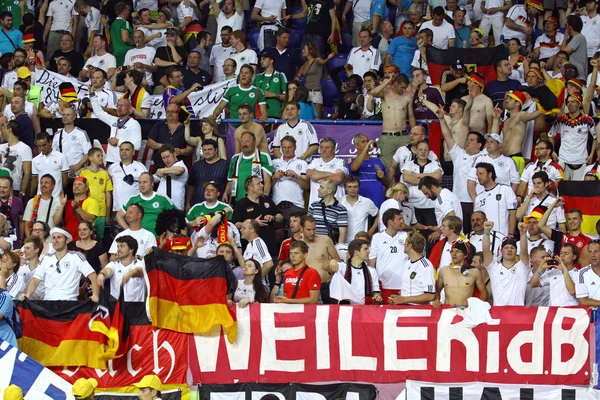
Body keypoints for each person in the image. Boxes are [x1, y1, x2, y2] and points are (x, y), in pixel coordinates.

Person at [22, 227, 99, 301]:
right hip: (48, 302)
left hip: (69, 302)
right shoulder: (46, 258)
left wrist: (95, 294)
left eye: (59, 237)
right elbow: (35, 280)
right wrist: (27, 295)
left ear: (67, 240)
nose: (55, 240)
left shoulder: (76, 256)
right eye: (54, 238)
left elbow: (93, 275)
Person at [548, 93, 596, 180]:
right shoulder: (561, 119)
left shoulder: (587, 119)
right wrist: (552, 151)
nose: (569, 104)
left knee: (577, 190)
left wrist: (592, 154)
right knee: (561, 188)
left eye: (573, 102)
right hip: (563, 160)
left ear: (579, 103)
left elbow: (595, 138)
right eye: (568, 102)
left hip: (581, 161)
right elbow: (550, 134)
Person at [371, 74, 416, 167]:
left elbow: (411, 116)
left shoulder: (407, 96)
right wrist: (388, 81)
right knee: (387, 167)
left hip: (403, 136)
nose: (403, 90)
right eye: (402, 87)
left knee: (407, 166)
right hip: (388, 136)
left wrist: (414, 133)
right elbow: (373, 92)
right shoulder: (385, 93)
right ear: (395, 84)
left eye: (405, 88)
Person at [400, 140, 443, 233]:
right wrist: (427, 181)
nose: (423, 152)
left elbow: (437, 176)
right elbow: (406, 178)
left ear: (429, 151)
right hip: (414, 206)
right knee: (415, 234)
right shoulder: (409, 164)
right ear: (416, 151)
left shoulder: (434, 164)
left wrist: (417, 175)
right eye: (420, 150)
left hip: (431, 206)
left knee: (431, 233)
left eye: (425, 150)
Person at [117, 172, 175, 237]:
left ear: (152, 183)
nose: (142, 185)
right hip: (137, 239)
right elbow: (119, 215)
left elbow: (177, 216)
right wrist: (129, 230)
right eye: (140, 182)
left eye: (145, 182)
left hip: (158, 239)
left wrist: (170, 233)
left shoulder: (162, 199)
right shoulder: (133, 199)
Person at [538, 197, 592, 267]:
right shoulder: (561, 236)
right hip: (560, 273)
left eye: (575, 218)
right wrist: (553, 206)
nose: (572, 221)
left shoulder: (587, 240)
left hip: (578, 274)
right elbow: (540, 225)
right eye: (569, 219)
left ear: (581, 220)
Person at [233, 176, 282, 252]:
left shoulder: (266, 199)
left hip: (270, 247)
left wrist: (273, 217)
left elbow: (280, 216)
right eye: (258, 184)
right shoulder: (241, 204)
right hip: (251, 249)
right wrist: (253, 223)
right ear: (250, 188)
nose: (262, 186)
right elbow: (235, 224)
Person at [369, 209, 408, 304]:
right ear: (390, 222)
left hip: (403, 287)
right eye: (399, 219)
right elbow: (371, 264)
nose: (402, 221)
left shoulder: (406, 236)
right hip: (384, 286)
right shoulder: (377, 238)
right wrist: (374, 287)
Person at [434, 239, 488, 307]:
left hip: (465, 311)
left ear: (465, 255)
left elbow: (484, 293)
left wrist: (477, 308)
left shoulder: (474, 271)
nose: (454, 254)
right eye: (452, 251)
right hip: (448, 310)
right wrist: (437, 300)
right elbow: (437, 291)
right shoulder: (443, 271)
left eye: (458, 251)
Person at [387, 232, 435, 305]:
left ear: (410, 245)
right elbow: (410, 288)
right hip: (404, 308)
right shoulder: (407, 263)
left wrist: (404, 299)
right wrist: (398, 297)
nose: (403, 245)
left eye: (405, 242)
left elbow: (430, 295)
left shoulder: (426, 266)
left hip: (418, 310)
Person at [467, 133, 520, 198]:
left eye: (492, 142)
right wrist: (475, 200)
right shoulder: (479, 159)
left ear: (499, 145)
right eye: (487, 142)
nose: (488, 144)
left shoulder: (509, 161)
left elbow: (515, 182)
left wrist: (509, 198)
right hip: (482, 200)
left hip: (501, 201)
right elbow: (471, 182)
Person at [225, 132, 273, 203]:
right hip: (237, 201)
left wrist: (264, 198)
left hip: (256, 201)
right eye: (242, 142)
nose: (244, 144)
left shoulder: (263, 157)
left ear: (254, 142)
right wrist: (226, 193)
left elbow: (267, 181)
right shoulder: (235, 158)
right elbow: (230, 181)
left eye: (247, 141)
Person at [330, 239, 381, 304]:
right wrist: (331, 261)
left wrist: (377, 295)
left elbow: (376, 290)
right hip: (346, 310)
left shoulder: (371, 270)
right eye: (365, 249)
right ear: (356, 252)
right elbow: (325, 267)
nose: (369, 251)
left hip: (364, 309)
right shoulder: (342, 267)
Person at [473, 162, 517, 237]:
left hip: (503, 236)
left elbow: (513, 213)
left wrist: (510, 234)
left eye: (481, 174)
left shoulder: (505, 190)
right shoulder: (479, 197)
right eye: (477, 175)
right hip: (485, 237)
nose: (478, 177)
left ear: (490, 174)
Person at [271, 136, 309, 221]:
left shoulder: (302, 163)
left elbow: (306, 186)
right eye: (284, 147)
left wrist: (296, 177)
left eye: (290, 147)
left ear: (295, 147)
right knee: (278, 233)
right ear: (281, 148)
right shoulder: (274, 163)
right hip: (276, 204)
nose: (287, 150)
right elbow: (266, 186)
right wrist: (274, 177)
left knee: (296, 232)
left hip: (296, 205)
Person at [98, 235, 145, 301]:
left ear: (131, 249)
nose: (118, 249)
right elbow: (107, 270)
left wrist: (130, 274)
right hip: (115, 303)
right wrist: (102, 275)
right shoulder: (114, 264)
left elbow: (140, 271)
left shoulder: (140, 264)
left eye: (122, 246)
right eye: (118, 246)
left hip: (136, 306)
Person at [107, 141, 148, 215]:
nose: (124, 152)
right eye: (121, 150)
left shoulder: (140, 167)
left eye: (127, 150)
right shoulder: (112, 168)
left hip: (136, 210)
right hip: (117, 209)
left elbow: (148, 186)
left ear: (133, 152)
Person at [79, 148, 113, 238]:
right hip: (87, 211)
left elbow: (108, 194)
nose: (101, 157)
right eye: (98, 155)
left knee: (99, 237)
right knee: (86, 236)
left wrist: (108, 214)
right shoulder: (83, 173)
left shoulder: (105, 173)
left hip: (101, 211)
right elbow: (79, 192)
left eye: (102, 155)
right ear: (90, 158)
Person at [348, 134, 388, 208]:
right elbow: (354, 168)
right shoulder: (353, 161)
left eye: (367, 141)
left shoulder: (378, 161)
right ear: (356, 145)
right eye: (363, 142)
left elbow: (387, 183)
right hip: (361, 202)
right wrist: (366, 148)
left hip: (378, 200)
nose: (367, 143)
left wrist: (382, 177)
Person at [186, 139, 229, 206]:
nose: (207, 152)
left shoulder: (225, 165)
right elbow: (191, 185)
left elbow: (229, 182)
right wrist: (188, 202)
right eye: (204, 150)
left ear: (216, 150)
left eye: (210, 149)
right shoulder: (197, 165)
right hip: (198, 205)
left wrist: (226, 193)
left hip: (218, 205)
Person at [306, 138, 347, 205]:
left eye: (327, 147)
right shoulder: (315, 161)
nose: (324, 150)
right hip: (316, 204)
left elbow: (338, 178)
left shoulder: (340, 162)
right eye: (321, 147)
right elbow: (310, 174)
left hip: (335, 206)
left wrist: (317, 177)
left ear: (334, 149)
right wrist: (331, 175)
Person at [308, 179, 348, 245]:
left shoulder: (341, 209)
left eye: (321, 187)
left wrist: (338, 249)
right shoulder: (314, 206)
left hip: (329, 248)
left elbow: (342, 233)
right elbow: (307, 225)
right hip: (312, 246)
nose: (318, 189)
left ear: (329, 191)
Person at [298, 43, 332, 119]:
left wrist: (328, 58)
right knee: (306, 117)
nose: (303, 51)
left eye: (305, 49)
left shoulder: (317, 60)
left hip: (315, 92)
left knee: (317, 118)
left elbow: (323, 62)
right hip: (306, 93)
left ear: (310, 51)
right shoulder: (305, 63)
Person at [340, 177, 378, 241]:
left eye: (355, 186)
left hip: (360, 242)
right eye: (349, 187)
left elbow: (378, 215)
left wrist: (371, 231)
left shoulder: (366, 202)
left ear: (359, 188)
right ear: (345, 188)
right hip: (342, 241)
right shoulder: (339, 201)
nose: (352, 189)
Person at [154, 144, 188, 210]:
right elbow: (154, 179)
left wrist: (162, 171)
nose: (166, 160)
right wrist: (158, 173)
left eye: (168, 156)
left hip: (175, 206)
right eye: (163, 158)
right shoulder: (165, 168)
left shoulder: (180, 165)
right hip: (161, 206)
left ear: (174, 154)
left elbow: (179, 170)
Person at [560, 15, 588, 80]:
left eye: (566, 25)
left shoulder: (579, 37)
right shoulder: (575, 38)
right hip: (572, 76)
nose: (565, 28)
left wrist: (565, 38)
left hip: (578, 77)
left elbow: (562, 53)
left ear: (570, 27)